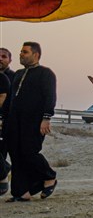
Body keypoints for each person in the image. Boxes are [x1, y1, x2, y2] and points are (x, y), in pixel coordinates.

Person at [4, 42, 58, 201]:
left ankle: (49, 176)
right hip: (14, 121)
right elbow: (11, 99)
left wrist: (46, 118)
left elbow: (50, 97)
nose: (21, 54)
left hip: (34, 121)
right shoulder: (18, 74)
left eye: (25, 52)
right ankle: (21, 193)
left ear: (36, 55)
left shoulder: (45, 73)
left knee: (29, 151)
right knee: (16, 154)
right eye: (21, 51)